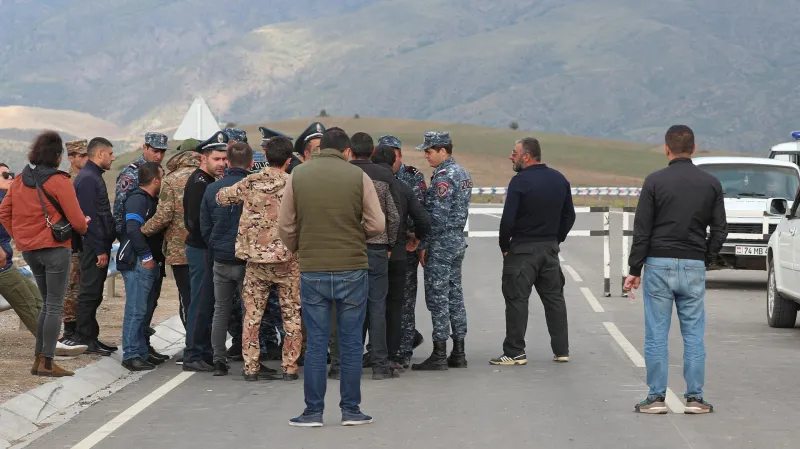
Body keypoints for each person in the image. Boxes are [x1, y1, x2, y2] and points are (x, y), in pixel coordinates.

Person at [278, 127, 384, 427]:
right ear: (347, 151)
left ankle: (313, 412)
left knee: (316, 343)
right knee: (350, 343)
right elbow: (377, 224)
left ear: (319, 148)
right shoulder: (357, 176)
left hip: (313, 270)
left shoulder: (299, 176)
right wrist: (355, 234)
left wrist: (302, 245)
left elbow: (285, 226)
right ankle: (351, 410)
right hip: (351, 267)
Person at [624, 125, 727, 415]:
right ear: (694, 148)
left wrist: (634, 268)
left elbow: (642, 230)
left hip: (658, 263)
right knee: (694, 333)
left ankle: (656, 398)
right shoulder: (710, 183)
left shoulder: (655, 181)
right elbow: (720, 229)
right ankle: (694, 398)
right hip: (693, 263)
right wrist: (706, 256)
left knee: (657, 333)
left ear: (666, 149)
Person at [0, 131, 90, 377]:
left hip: (30, 251)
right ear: (58, 156)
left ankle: (39, 358)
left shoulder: (19, 180)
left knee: (46, 303)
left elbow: (4, 213)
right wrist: (85, 223)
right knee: (53, 305)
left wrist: (20, 236)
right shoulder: (59, 181)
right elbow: (79, 223)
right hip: (55, 249)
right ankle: (47, 361)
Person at [216, 137, 302, 381]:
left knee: (252, 316)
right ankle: (290, 367)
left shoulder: (250, 181)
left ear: (264, 156)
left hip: (255, 262)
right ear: (288, 160)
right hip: (287, 260)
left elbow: (222, 198)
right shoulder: (293, 183)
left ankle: (251, 368)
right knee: (291, 315)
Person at [490, 137, 575, 367]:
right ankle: (561, 350)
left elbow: (507, 220)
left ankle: (515, 351)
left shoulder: (520, 181)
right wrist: (555, 239)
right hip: (549, 249)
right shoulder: (559, 179)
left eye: (514, 153)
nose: (511, 156)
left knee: (517, 299)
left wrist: (504, 247)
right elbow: (570, 216)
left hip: (522, 250)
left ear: (526, 156)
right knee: (554, 299)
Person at [330, 132, 399, 380]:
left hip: (347, 249)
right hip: (377, 249)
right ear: (371, 152)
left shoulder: (341, 177)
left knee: (343, 307)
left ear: (349, 151)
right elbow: (393, 215)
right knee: (377, 306)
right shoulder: (383, 177)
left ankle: (339, 365)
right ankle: (380, 365)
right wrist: (389, 242)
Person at [412, 131, 472, 371]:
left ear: (443, 150)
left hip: (442, 243)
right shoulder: (463, 173)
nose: (426, 155)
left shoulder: (444, 178)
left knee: (438, 299)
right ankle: (459, 350)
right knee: (455, 295)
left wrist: (423, 244)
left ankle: (439, 352)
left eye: (429, 151)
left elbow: (437, 218)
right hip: (456, 241)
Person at [370, 145, 431, 372]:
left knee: (370, 303)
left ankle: (369, 353)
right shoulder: (402, 187)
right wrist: (416, 238)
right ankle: (392, 356)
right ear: (394, 162)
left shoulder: (363, 184)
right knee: (396, 305)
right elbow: (424, 219)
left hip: (368, 251)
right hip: (397, 254)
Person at [141, 139, 200, 340]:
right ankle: (206, 345)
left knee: (188, 299)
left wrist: (142, 230)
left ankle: (193, 346)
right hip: (206, 249)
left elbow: (163, 216)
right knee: (205, 298)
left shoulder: (171, 179)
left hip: (180, 251)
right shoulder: (209, 176)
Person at [182, 131, 228, 372]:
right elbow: (195, 223)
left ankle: (204, 350)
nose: (221, 163)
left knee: (209, 302)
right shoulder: (199, 183)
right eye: (217, 159)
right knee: (200, 301)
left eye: (224, 159)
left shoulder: (209, 182)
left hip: (207, 249)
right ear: (204, 159)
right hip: (201, 249)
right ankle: (192, 354)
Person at [117, 162, 166, 371]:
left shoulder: (150, 199)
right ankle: (130, 354)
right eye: (162, 177)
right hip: (137, 261)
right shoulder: (137, 199)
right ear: (155, 179)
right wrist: (146, 256)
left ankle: (142, 351)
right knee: (136, 309)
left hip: (148, 261)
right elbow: (133, 229)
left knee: (144, 309)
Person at [72, 137, 118, 356]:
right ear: (100, 154)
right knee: (89, 293)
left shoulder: (93, 176)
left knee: (95, 293)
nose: (113, 157)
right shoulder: (89, 179)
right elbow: (89, 219)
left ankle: (92, 337)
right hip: (92, 246)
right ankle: (84, 338)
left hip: (97, 245)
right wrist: (99, 248)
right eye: (110, 153)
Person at [113, 133, 169, 236]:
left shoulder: (159, 170)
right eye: (155, 151)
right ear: (145, 148)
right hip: (135, 233)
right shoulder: (131, 173)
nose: (159, 156)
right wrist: (124, 236)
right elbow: (120, 208)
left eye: (162, 152)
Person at [61, 139, 88, 345]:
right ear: (71, 157)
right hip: (71, 241)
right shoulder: (66, 180)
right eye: (82, 156)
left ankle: (80, 328)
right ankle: (69, 331)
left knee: (81, 286)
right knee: (71, 287)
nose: (86, 159)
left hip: (83, 240)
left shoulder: (85, 177)